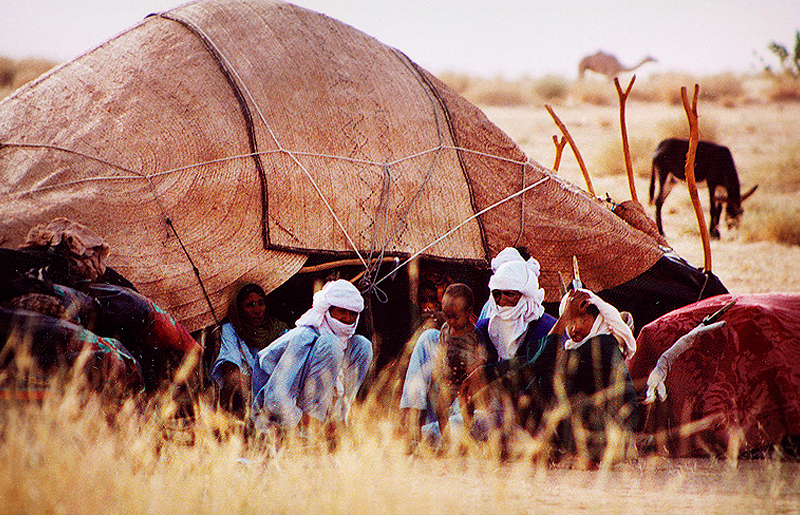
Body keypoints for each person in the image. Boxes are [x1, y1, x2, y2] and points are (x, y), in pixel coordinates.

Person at [461, 288, 639, 465]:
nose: (574, 329)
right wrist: (485, 373)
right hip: (597, 432)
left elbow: (540, 362)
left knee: (545, 379)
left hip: (611, 440)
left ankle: (572, 454)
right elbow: (530, 359)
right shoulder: (580, 347)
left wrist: (562, 321)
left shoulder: (602, 345)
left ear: (599, 320)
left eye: (582, 320)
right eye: (571, 322)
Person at [252, 279, 372, 437]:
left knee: (363, 345)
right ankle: (311, 433)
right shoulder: (305, 337)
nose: (348, 318)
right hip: (278, 422)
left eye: (353, 313)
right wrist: (311, 423)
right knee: (331, 344)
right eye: (342, 311)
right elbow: (275, 398)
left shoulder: (347, 344)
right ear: (328, 310)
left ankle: (336, 425)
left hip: (322, 424)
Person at [211, 283, 288, 416]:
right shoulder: (231, 330)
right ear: (240, 309)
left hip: (274, 389)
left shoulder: (277, 329)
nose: (257, 310)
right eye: (250, 305)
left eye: (260, 303)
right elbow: (231, 371)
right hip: (246, 390)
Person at [431, 283, 490, 437]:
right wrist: (437, 368)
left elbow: (481, 359)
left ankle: (468, 438)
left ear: (469, 311)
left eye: (455, 317)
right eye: (446, 316)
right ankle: (446, 439)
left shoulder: (474, 335)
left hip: (467, 383)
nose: (450, 321)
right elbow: (441, 350)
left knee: (466, 410)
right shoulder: (445, 329)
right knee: (440, 407)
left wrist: (473, 379)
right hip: (449, 381)